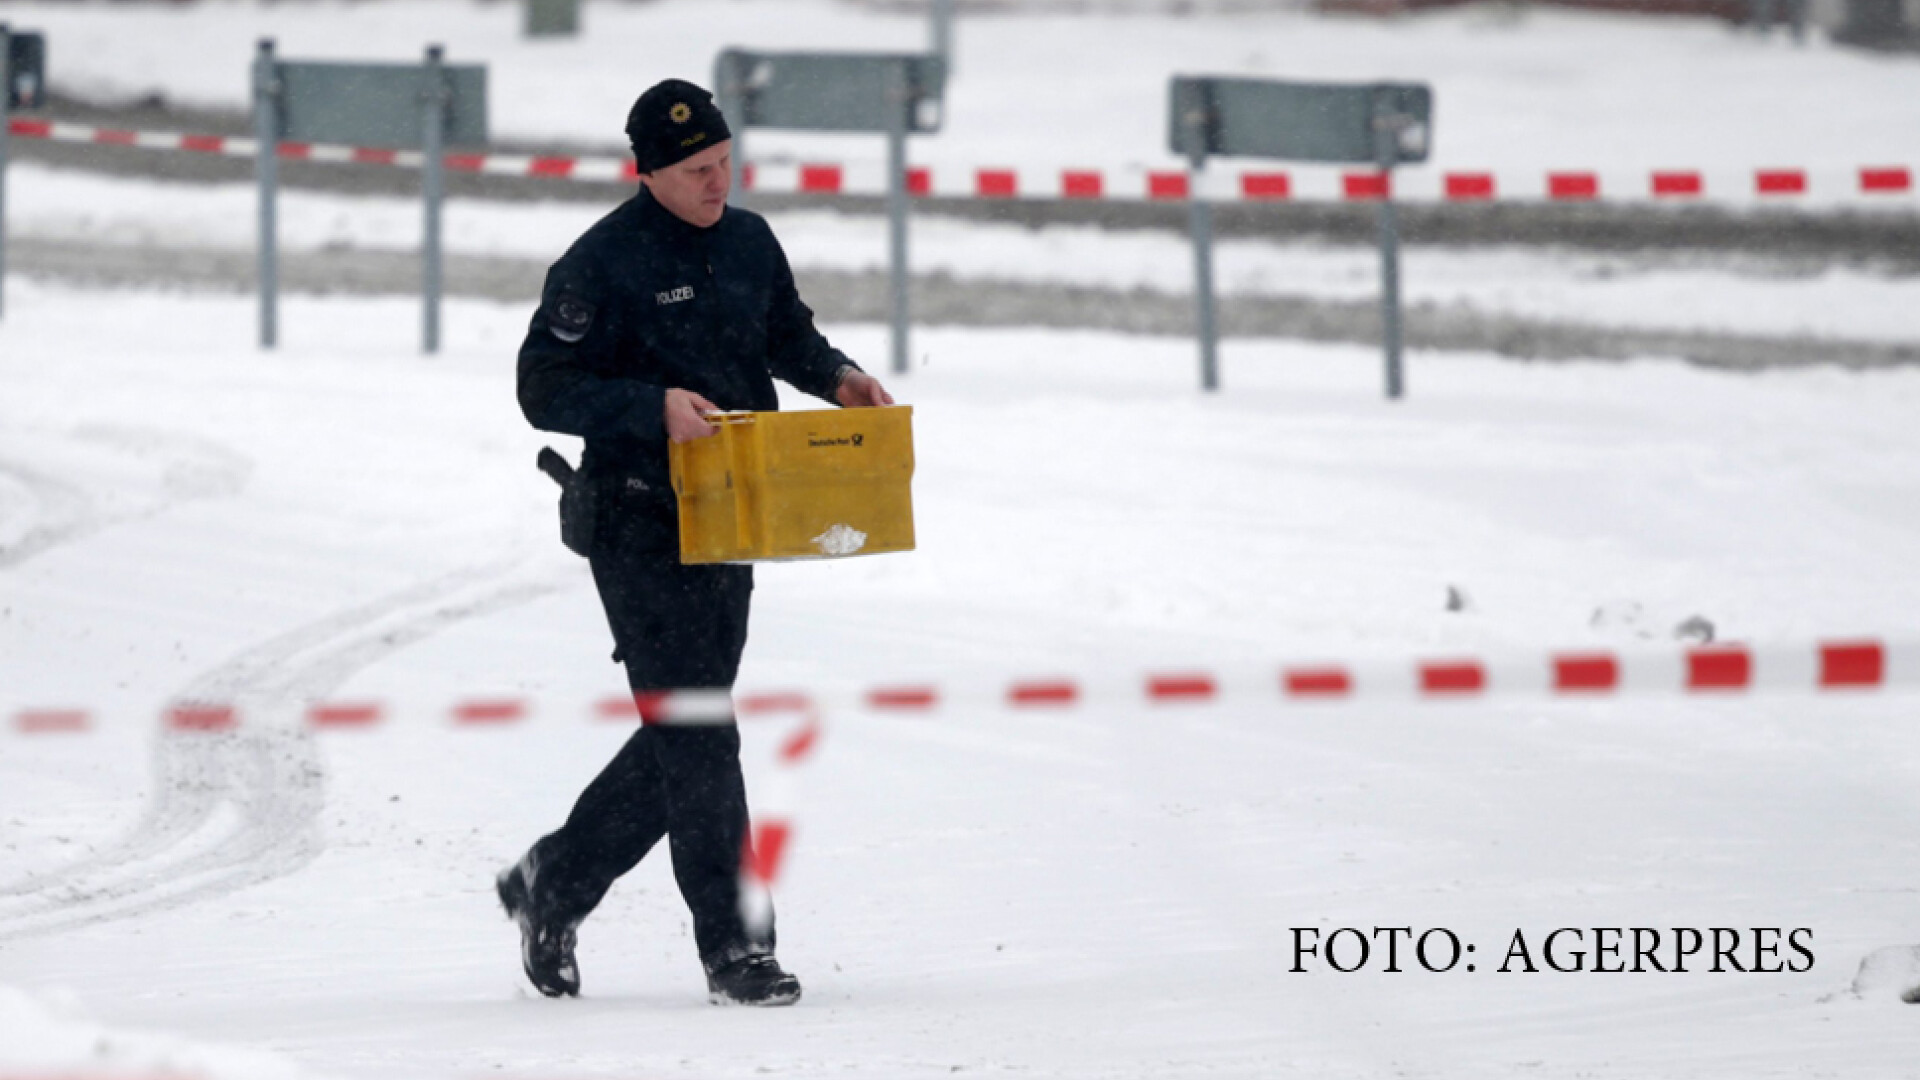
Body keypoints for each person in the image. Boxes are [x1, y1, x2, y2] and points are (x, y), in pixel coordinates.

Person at [497, 78, 894, 1007]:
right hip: (638, 522)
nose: (718, 181)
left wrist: (839, 377)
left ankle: (553, 880)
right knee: (701, 731)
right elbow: (541, 387)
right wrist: (649, 407)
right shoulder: (601, 262)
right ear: (651, 173)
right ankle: (736, 949)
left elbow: (786, 336)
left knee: (690, 726)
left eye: (725, 162)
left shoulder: (750, 239)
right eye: (697, 170)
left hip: (736, 515)